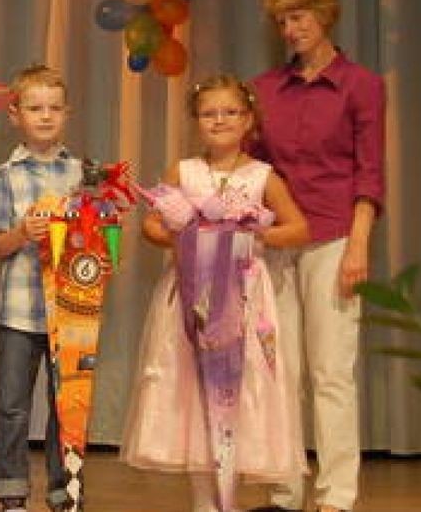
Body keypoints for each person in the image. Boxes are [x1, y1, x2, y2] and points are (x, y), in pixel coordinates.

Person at [120, 74, 310, 512]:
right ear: (196, 121)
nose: (219, 120)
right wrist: (187, 237)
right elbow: (152, 225)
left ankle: (232, 496)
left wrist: (251, 235)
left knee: (240, 391)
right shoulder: (183, 171)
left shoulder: (263, 176)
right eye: (209, 113)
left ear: (248, 120)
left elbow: (298, 227)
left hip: (243, 298)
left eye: (229, 112)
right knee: (192, 391)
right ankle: (205, 501)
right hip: (192, 296)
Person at [248, 0, 386, 512]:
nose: (289, 29)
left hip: (333, 238)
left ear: (325, 16)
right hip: (278, 242)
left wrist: (359, 245)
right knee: (280, 372)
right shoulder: (264, 90)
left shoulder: (362, 86)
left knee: (331, 372)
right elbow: (253, 172)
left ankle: (336, 495)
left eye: (298, 17)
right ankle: (284, 491)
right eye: (282, 19)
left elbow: (369, 174)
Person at [0, 66, 83, 512]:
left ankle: (65, 492)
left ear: (67, 114)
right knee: (12, 407)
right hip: (19, 313)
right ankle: (10, 493)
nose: (45, 116)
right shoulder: (4, 177)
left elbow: (98, 243)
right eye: (35, 108)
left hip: (73, 314)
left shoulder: (82, 172)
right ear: (15, 115)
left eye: (54, 108)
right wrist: (23, 232)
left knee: (68, 409)